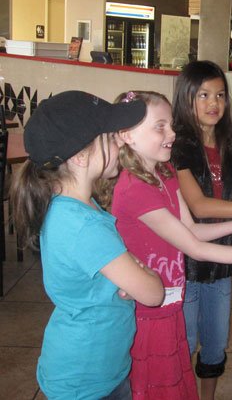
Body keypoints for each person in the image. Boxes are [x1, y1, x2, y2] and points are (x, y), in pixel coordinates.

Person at [111, 90, 232, 400]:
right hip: (145, 315)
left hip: (170, 304)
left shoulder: (164, 173)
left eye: (171, 125)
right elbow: (194, 247)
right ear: (127, 135)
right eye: (159, 126)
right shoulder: (134, 189)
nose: (172, 133)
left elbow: (191, 229)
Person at [10, 90, 165, 399]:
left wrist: (128, 271)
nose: (120, 142)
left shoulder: (73, 206)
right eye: (110, 138)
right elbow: (152, 293)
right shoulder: (84, 226)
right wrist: (143, 272)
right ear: (80, 156)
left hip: (92, 367)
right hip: (88, 379)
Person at [170, 61, 232, 400]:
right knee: (184, 340)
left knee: (215, 345)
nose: (214, 103)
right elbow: (199, 206)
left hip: (221, 265)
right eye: (204, 95)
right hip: (186, 266)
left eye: (220, 95)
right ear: (186, 99)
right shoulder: (178, 148)